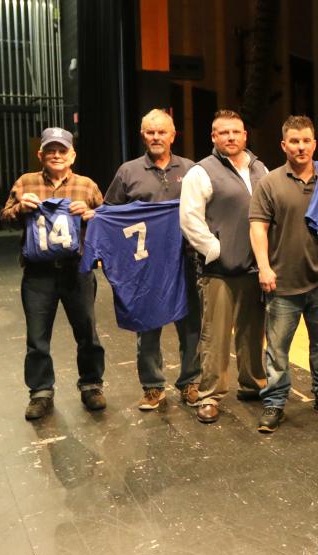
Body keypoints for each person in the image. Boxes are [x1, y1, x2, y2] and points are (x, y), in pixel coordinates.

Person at [249, 115, 318, 432]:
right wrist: (264, 267)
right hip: (282, 282)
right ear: (284, 145)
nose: (301, 146)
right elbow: (258, 228)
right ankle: (275, 403)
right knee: (278, 350)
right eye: (294, 141)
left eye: (306, 140)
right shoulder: (270, 183)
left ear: (314, 143)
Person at [0, 127, 106, 420]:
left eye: (62, 150)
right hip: (38, 274)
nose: (57, 155)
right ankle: (40, 392)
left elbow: (107, 221)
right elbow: (5, 217)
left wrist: (91, 214)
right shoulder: (26, 182)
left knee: (87, 333)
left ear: (72, 154)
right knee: (37, 337)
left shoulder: (86, 186)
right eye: (51, 150)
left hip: (77, 271)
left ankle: (92, 384)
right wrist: (21, 208)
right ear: (41, 155)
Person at [105, 109, 202, 411]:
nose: (156, 137)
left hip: (185, 260)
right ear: (142, 135)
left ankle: (190, 382)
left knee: (191, 325)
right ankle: (152, 386)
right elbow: (111, 213)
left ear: (174, 135)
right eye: (151, 132)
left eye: (162, 132)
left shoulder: (192, 169)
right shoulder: (128, 172)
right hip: (145, 264)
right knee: (147, 326)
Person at [180, 109, 268, 424]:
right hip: (219, 270)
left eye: (236, 132)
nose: (231, 137)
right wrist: (214, 249)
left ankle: (253, 384)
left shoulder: (260, 169)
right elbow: (190, 219)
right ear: (214, 137)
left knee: (252, 332)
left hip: (254, 267)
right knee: (214, 337)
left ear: (245, 135)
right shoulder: (201, 172)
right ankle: (210, 396)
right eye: (223, 132)